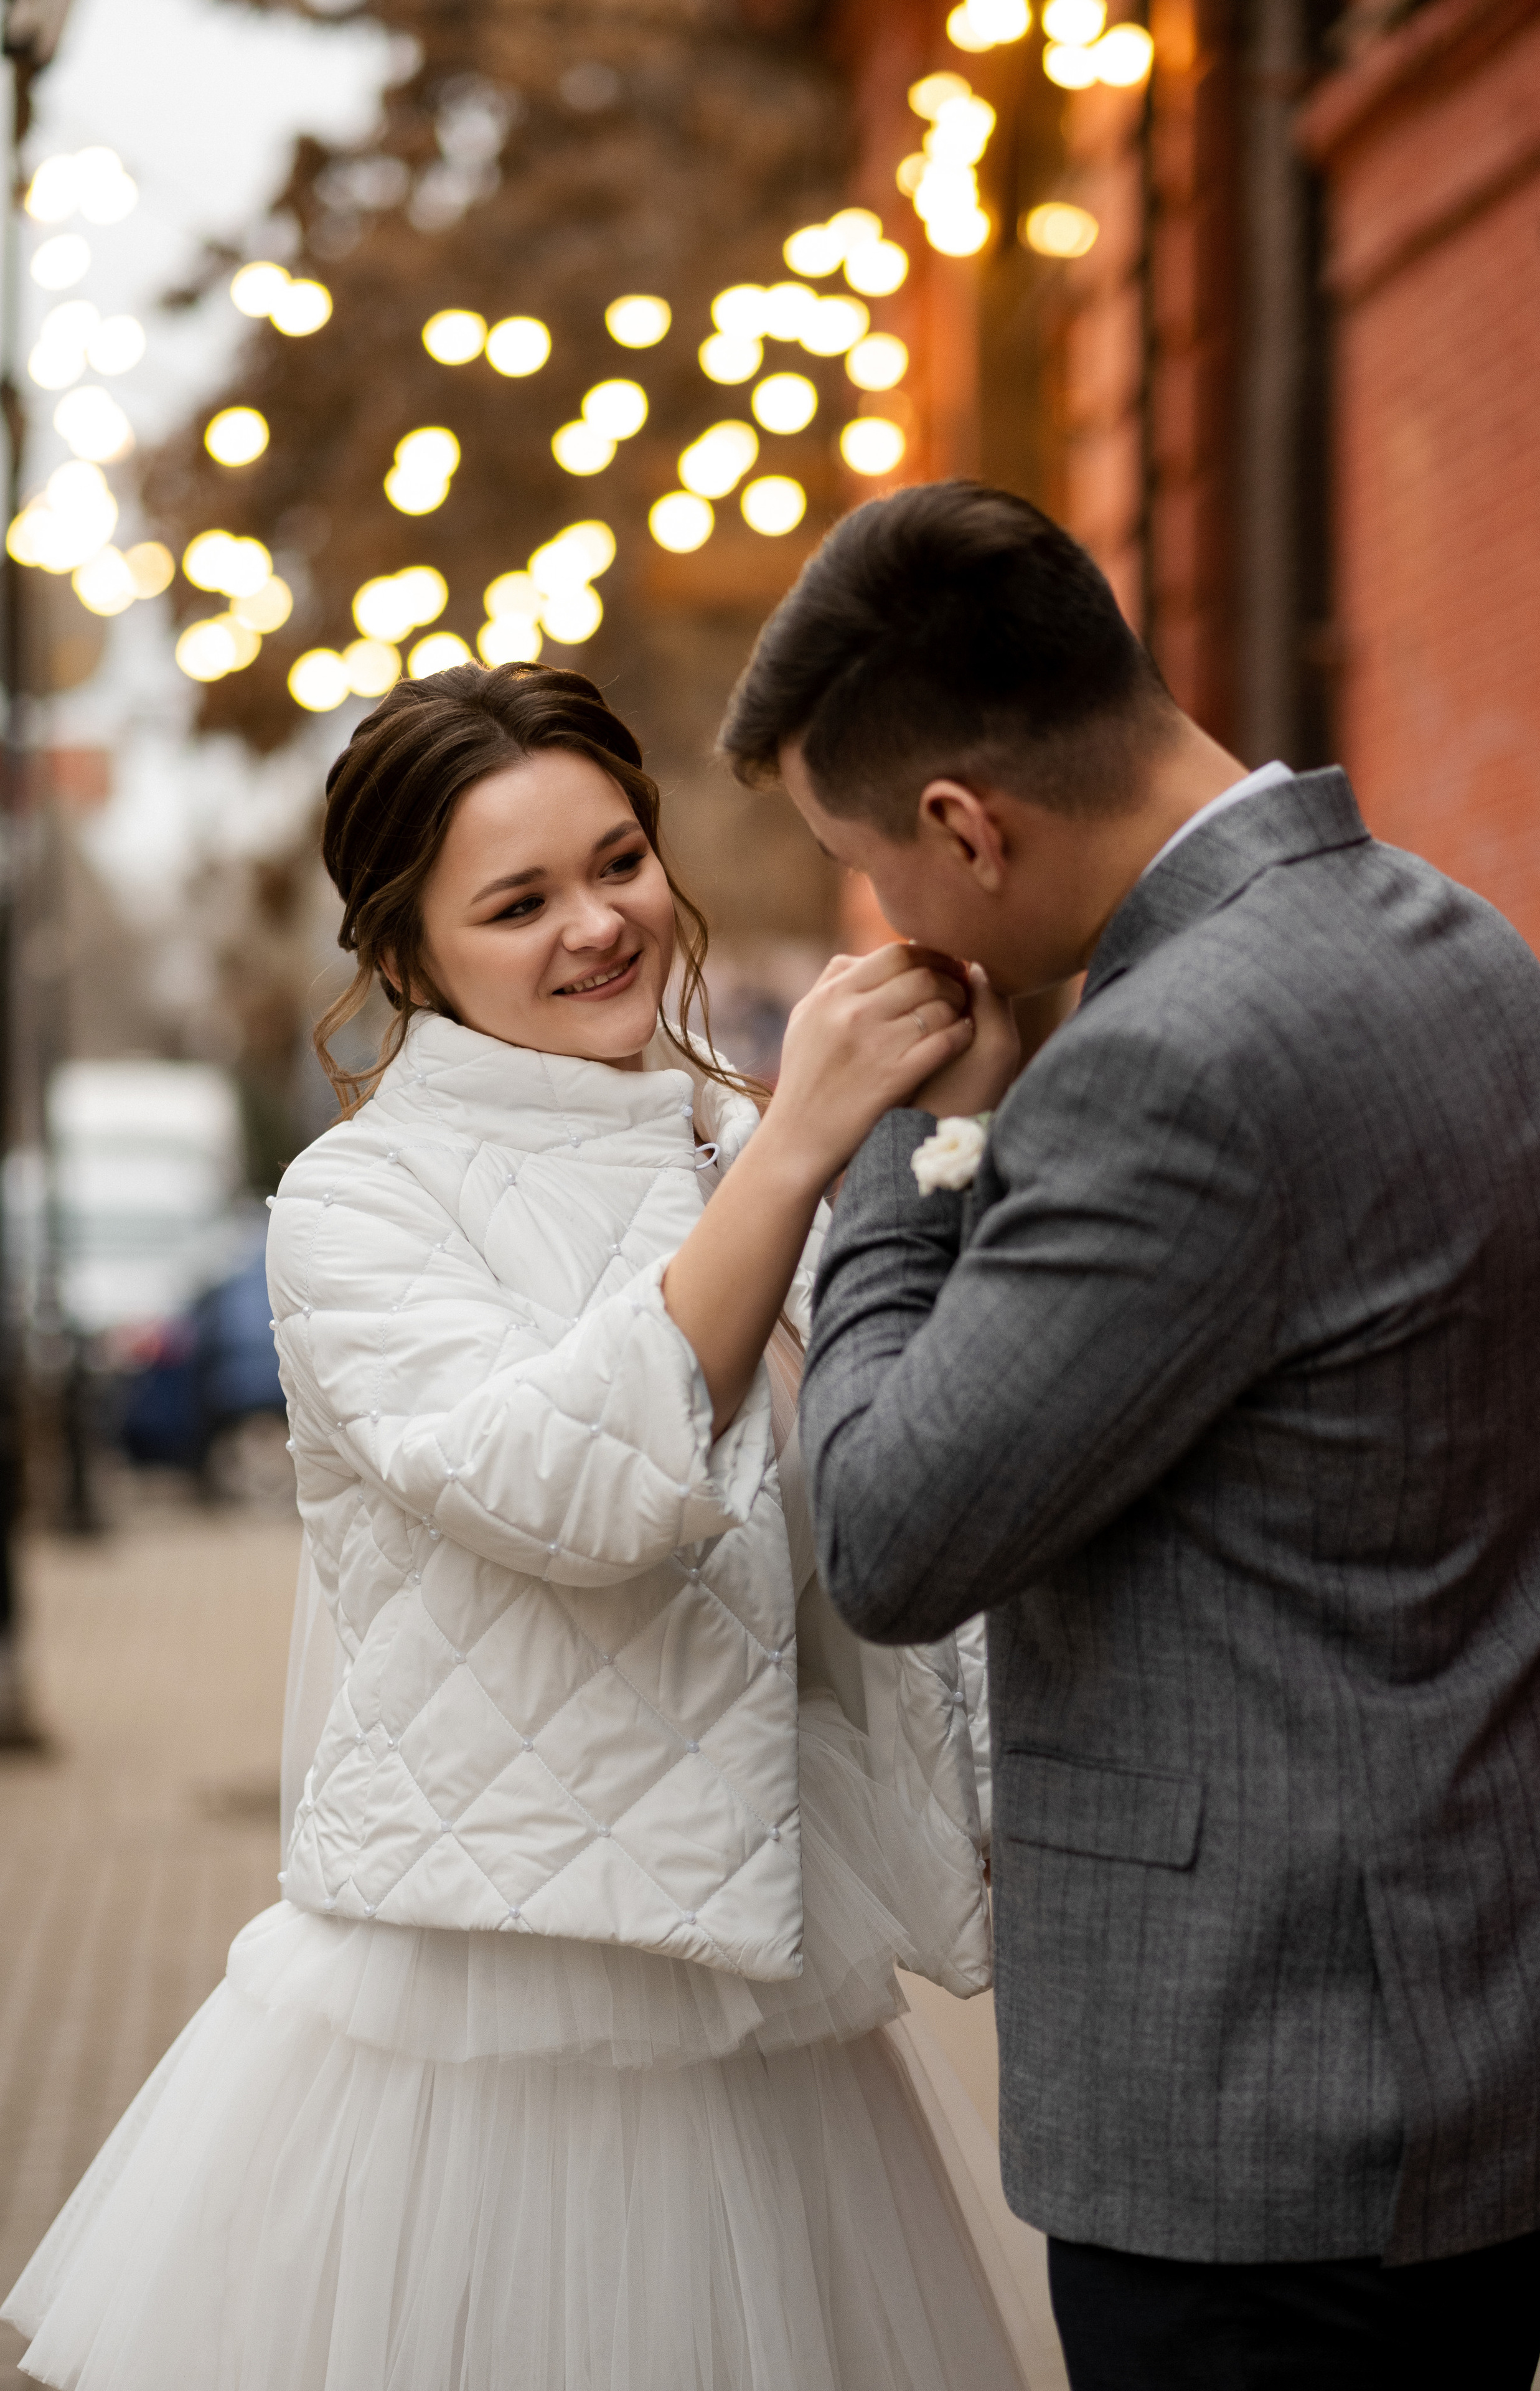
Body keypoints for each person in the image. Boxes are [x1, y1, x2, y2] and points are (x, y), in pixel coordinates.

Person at [2, 662, 1041, 2391]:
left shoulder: (732, 1138)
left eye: (619, 861)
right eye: (519, 901)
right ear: (406, 959)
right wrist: (798, 1151)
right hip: (481, 2030)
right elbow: (584, 1492)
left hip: (758, 1996)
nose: (599, 925)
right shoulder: (359, 1205)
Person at [716, 479, 1540, 2390]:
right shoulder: (1464, 941)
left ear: (967, 822)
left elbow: (887, 1531)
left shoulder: (1169, 1068)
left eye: (873, 867)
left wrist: (886, 1149)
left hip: (1266, 2123)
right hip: (1483, 2050)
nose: (886, 918)